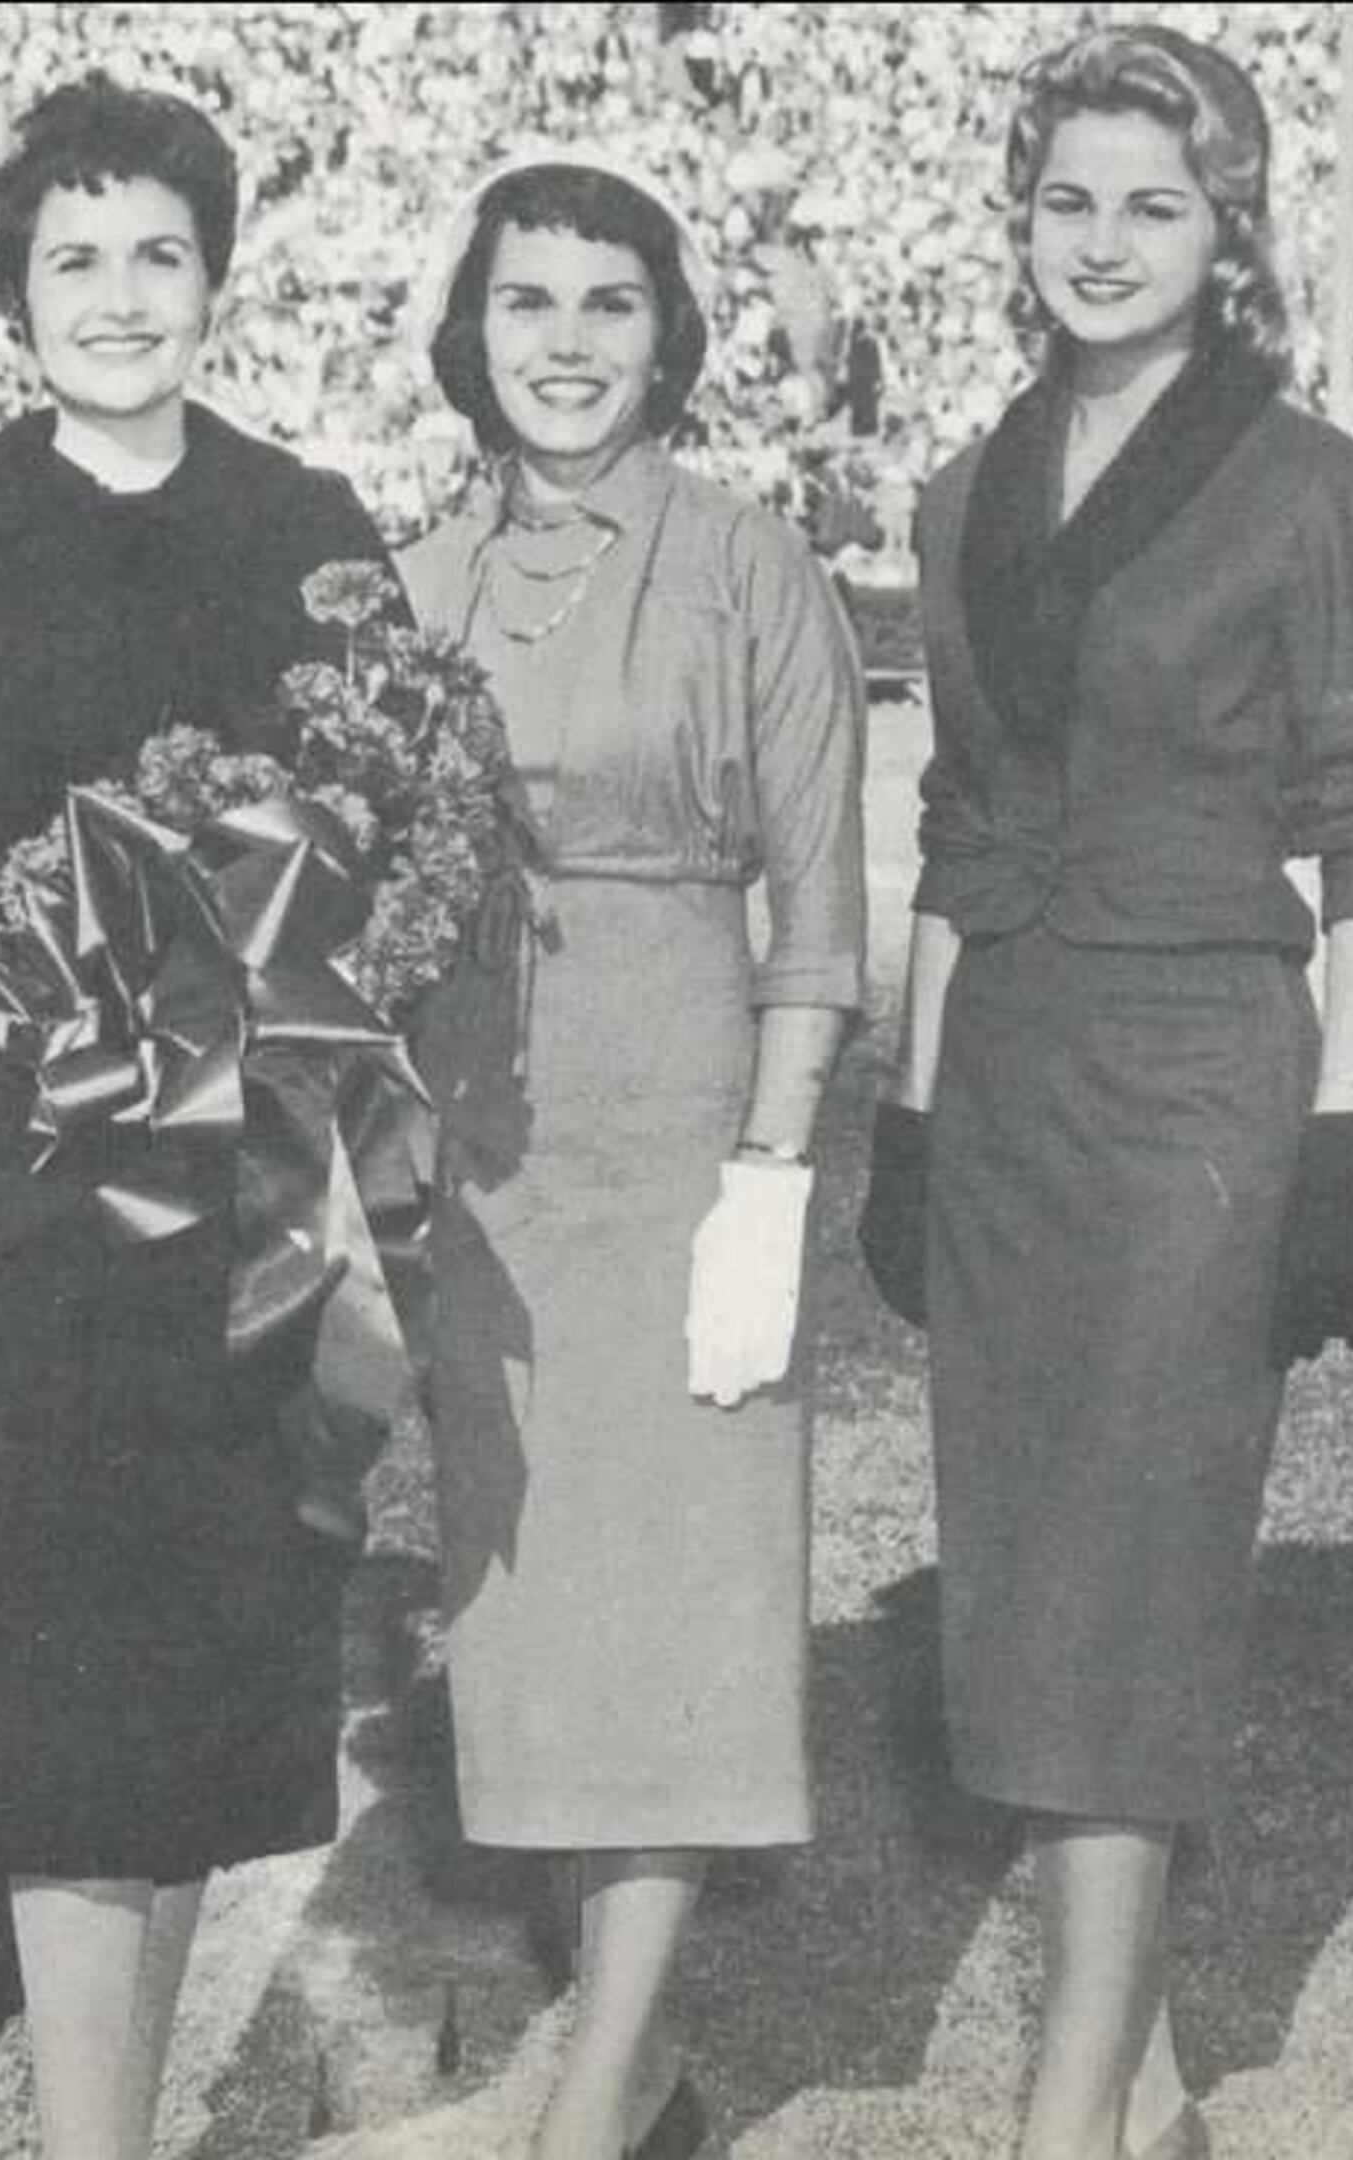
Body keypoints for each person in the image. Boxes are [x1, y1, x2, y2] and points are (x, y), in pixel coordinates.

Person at [0, 72, 395, 2160]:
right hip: (30, 1187)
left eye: (157, 254)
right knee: (59, 1689)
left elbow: (389, 842)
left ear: (217, 276)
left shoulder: (306, 528)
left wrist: (228, 1032)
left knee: (216, 1686)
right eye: (74, 258)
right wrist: (41, 1017)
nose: (117, 296)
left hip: (249, 1188)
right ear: (11, 290)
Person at [851, 28, 1353, 2160]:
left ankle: (1067, 2114)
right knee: (1024, 1596)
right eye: (1069, 199)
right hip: (1002, 1073)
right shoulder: (961, 487)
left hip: (1200, 1085)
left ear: (1230, 235)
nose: (1103, 244)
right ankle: (1154, 2089)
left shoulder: (1308, 482)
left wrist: (1348, 1128)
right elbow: (952, 815)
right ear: (1022, 220)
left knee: (1133, 1593)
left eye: (1153, 205)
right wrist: (908, 1117)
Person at [395, 152, 869, 2160]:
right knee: (533, 1600)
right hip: (479, 1143)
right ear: (471, 329)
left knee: (674, 1592)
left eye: (608, 304)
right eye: (530, 302)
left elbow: (822, 908)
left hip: (683, 1119)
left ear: (668, 335)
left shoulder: (756, 562)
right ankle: (606, 2040)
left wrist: (768, 1180)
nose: (567, 344)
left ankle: (598, 2089)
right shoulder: (405, 587)